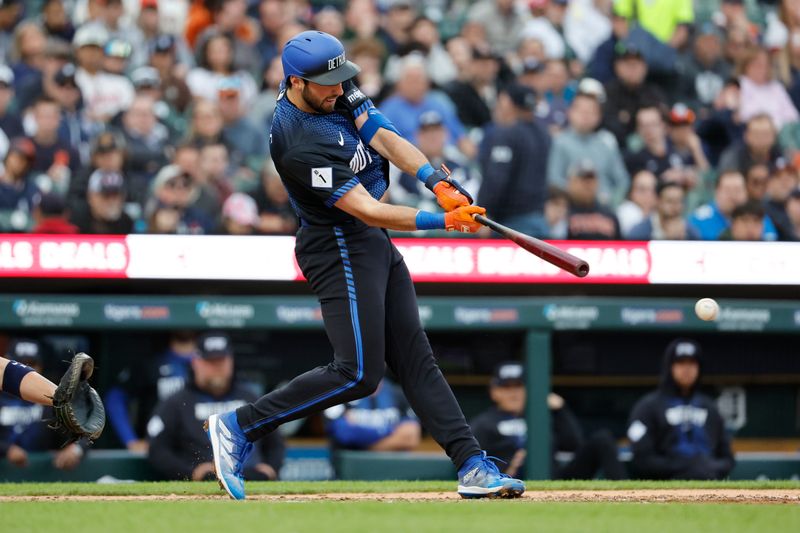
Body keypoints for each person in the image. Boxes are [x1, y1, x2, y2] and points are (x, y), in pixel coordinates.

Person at [204, 30, 524, 501]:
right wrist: (443, 219)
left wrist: (437, 181)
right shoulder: (296, 139)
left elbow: (385, 137)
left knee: (416, 359)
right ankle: (237, 426)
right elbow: (366, 209)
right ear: (296, 82)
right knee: (357, 373)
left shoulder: (333, 88)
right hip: (335, 245)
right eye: (326, 83)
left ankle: (473, 465)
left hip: (369, 241)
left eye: (341, 77)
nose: (338, 88)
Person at [148, 332, 284, 481]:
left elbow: (276, 442)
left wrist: (271, 468)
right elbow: (158, 450)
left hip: (251, 478)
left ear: (231, 361)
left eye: (221, 361)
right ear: (196, 363)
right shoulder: (176, 402)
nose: (216, 368)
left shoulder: (250, 397)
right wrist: (191, 472)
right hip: (206, 484)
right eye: (210, 362)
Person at [470, 362, 625, 480]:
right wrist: (503, 472)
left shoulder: (542, 416)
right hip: (508, 481)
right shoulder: (483, 423)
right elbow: (471, 464)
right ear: (494, 392)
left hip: (552, 480)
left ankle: (626, 496)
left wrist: (560, 410)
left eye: (518, 386)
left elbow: (573, 444)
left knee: (602, 439)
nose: (513, 393)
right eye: (506, 387)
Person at [627, 339, 735, 480]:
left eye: (692, 363)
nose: (687, 369)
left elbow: (728, 459)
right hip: (666, 487)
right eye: (680, 363)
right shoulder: (647, 407)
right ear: (669, 367)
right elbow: (641, 459)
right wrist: (684, 466)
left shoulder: (710, 408)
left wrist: (707, 467)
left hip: (709, 483)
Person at [106, 331, 198, 453]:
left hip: (199, 448)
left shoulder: (214, 366)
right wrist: (131, 440)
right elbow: (115, 398)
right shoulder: (152, 365)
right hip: (160, 449)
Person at [0, 338, 85, 471]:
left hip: (41, 474)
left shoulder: (52, 399)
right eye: (20, 364)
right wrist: (5, 449)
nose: (25, 370)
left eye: (32, 364)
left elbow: (83, 434)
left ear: (41, 366)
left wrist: (75, 449)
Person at [478, 83, 550, 238]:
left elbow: (496, 179)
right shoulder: (543, 135)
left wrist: (483, 211)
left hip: (511, 224)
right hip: (539, 220)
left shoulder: (507, 134)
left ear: (510, 104)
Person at [547, 79, 629, 208]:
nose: (585, 116)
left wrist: (613, 202)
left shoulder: (606, 142)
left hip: (606, 207)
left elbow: (622, 181)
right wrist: (579, 195)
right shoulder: (559, 141)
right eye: (581, 111)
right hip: (570, 206)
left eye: (591, 112)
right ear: (570, 113)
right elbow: (553, 179)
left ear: (599, 117)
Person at [324, 377, 421, 452]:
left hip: (393, 471)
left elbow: (410, 438)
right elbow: (344, 433)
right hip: (350, 469)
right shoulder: (338, 393)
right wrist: (392, 430)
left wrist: (361, 443)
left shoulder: (398, 394)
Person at [689, 170, 778, 240]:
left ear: (746, 192)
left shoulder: (757, 217)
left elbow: (771, 240)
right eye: (727, 190)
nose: (733, 195)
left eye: (737, 190)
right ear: (717, 192)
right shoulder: (699, 219)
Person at [565, 159, 621, 240]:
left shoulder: (608, 213)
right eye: (583, 179)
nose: (588, 184)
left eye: (591, 179)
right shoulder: (563, 211)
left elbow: (620, 245)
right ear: (571, 182)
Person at [70, 169, 134, 234]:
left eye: (116, 195)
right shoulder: (76, 223)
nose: (112, 201)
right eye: (106, 195)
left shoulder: (127, 224)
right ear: (91, 196)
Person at [629, 181, 700, 240]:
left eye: (679, 201)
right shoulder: (639, 232)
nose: (675, 206)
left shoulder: (691, 233)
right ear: (658, 201)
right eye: (670, 201)